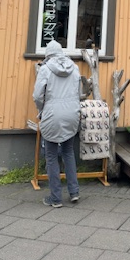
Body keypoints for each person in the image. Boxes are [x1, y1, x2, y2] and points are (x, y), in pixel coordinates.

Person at [33, 39, 81, 207]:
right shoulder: (74, 67)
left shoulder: (45, 69)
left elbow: (37, 96)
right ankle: (74, 192)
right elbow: (79, 92)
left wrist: (41, 110)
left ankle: (55, 198)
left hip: (53, 114)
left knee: (51, 156)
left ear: (48, 54)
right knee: (68, 152)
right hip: (72, 113)